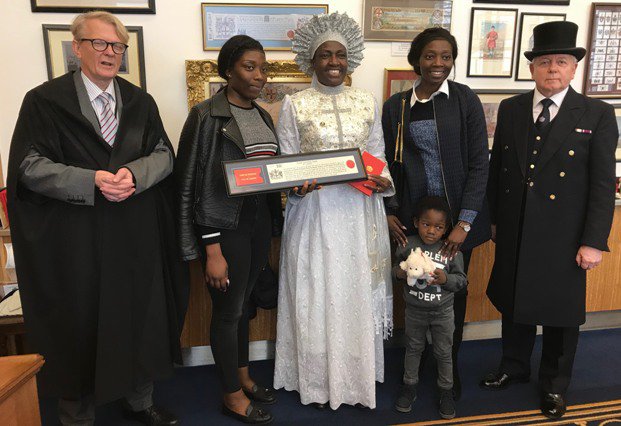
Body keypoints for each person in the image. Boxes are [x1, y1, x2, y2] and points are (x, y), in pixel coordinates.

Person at [6, 11, 188, 426]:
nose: (110, 53)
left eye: (117, 46)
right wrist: (91, 180)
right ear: (78, 48)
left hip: (133, 232)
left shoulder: (141, 101)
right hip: (75, 237)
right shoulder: (45, 101)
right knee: (79, 321)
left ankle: (140, 400)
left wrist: (134, 176)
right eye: (100, 44)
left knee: (140, 314)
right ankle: (77, 414)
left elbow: (164, 154)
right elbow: (28, 167)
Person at [481, 21, 618, 420]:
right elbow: (499, 170)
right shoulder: (512, 108)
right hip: (517, 227)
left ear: (574, 68)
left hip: (565, 236)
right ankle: (514, 366)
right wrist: (493, 221)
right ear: (532, 68)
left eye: (561, 61)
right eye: (544, 61)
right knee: (514, 303)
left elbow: (602, 184)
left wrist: (594, 241)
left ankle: (555, 385)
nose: (552, 69)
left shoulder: (596, 113)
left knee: (560, 315)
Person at [273, 12, 394, 410]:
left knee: (353, 290)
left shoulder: (366, 101)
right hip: (314, 214)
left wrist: (383, 181)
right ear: (311, 59)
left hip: (360, 214)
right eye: (325, 55)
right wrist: (296, 186)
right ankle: (317, 381)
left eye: (340, 54)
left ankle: (355, 379)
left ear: (350, 59)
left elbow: (377, 155)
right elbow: (286, 161)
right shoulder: (295, 104)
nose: (333, 62)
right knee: (316, 289)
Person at [176, 35, 284, 425]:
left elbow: (270, 174)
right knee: (227, 311)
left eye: (263, 68)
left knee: (241, 309)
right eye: (249, 67)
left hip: (255, 226)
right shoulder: (206, 116)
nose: (259, 76)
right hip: (223, 228)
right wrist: (212, 249)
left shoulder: (262, 115)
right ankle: (231, 397)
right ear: (228, 70)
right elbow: (190, 183)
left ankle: (241, 376)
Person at [382, 27, 490, 400]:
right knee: (415, 286)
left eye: (446, 56)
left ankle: (449, 365)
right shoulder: (395, 106)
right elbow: (387, 167)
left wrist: (464, 223)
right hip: (417, 222)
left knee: (451, 291)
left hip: (457, 222)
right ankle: (416, 361)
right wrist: (389, 210)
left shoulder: (464, 100)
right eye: (430, 56)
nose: (438, 63)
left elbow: (479, 164)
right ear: (416, 60)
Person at [393, 196, 467, 419]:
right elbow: (394, 269)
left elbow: (462, 281)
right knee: (413, 348)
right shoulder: (407, 245)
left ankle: (445, 391)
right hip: (415, 311)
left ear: (446, 229)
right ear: (416, 222)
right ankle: (409, 386)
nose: (432, 231)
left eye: (438, 227)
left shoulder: (451, 251)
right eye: (426, 224)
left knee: (444, 353)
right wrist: (401, 272)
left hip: (442, 312)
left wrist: (445, 279)